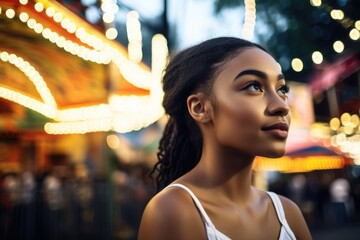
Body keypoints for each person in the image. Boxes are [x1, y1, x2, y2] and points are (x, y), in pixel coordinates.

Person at [138, 37, 312, 240]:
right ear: (200, 108)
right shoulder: (172, 212)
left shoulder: (288, 213)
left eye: (282, 89)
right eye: (254, 86)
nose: (282, 106)